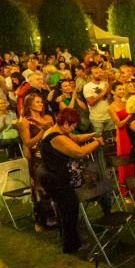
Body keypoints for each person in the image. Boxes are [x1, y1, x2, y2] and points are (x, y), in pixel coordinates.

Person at [37, 107, 102, 253]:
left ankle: (70, 242)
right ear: (65, 123)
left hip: (55, 175)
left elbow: (76, 139)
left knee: (65, 209)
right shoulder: (56, 137)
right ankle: (72, 246)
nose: (73, 129)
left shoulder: (59, 131)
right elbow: (79, 152)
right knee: (69, 210)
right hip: (56, 178)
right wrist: (97, 142)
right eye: (72, 125)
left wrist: (92, 135)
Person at [84, 64, 113, 134]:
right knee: (98, 138)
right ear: (91, 75)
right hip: (97, 119)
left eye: (100, 72)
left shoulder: (105, 84)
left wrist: (108, 92)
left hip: (109, 116)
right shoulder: (87, 87)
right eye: (96, 73)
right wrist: (102, 93)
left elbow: (110, 101)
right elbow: (91, 103)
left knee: (111, 138)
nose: (99, 74)